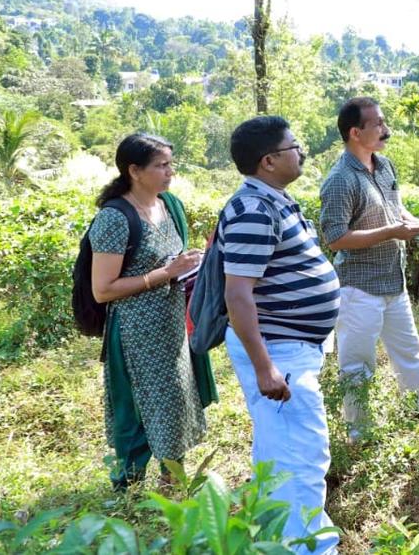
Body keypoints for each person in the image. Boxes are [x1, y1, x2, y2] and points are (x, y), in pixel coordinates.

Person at [221, 116, 341, 554]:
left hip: (292, 348)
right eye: (294, 146)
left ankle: (280, 541)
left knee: (282, 454)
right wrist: (265, 367)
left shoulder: (275, 200)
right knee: (301, 457)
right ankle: (306, 548)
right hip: (278, 353)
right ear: (269, 160)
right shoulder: (253, 210)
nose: (301, 151)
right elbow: (238, 295)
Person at [319, 96, 419, 442]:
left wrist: (417, 223)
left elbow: (397, 208)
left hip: (393, 282)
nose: (386, 130)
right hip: (359, 287)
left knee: (409, 350)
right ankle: (358, 433)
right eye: (378, 124)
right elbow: (336, 238)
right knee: (357, 365)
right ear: (354, 132)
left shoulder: (384, 166)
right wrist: (393, 232)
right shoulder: (339, 180)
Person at [89, 133, 206, 490]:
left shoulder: (169, 205)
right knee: (139, 408)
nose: (170, 171)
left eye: (171, 163)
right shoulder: (114, 218)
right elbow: (103, 289)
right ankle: (128, 488)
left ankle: (172, 483)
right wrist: (164, 274)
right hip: (136, 334)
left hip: (170, 326)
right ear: (134, 171)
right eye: (162, 165)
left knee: (174, 402)